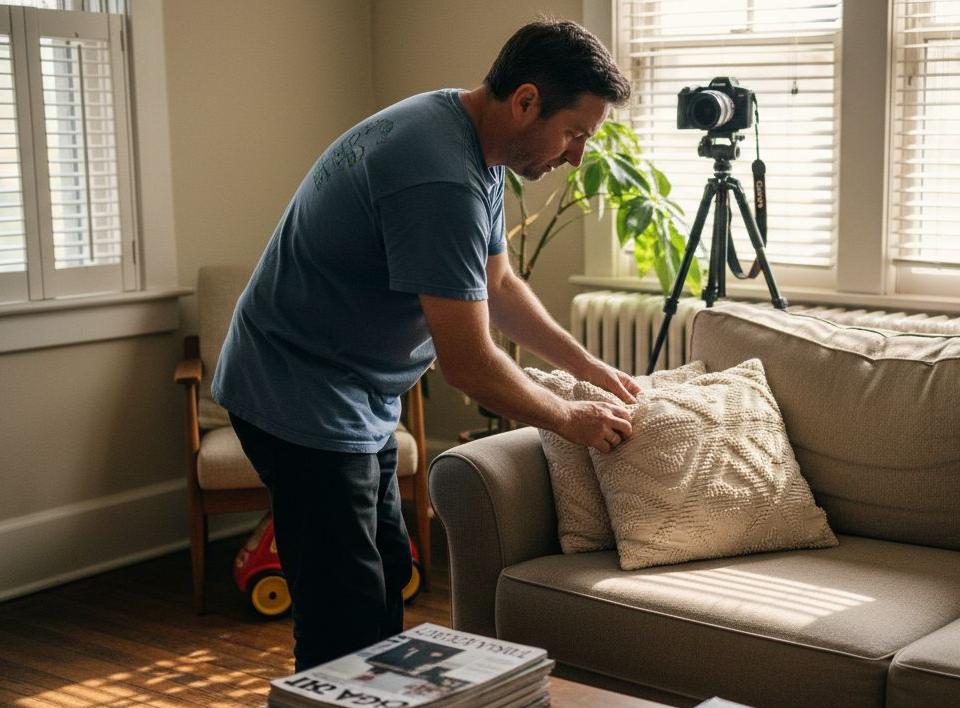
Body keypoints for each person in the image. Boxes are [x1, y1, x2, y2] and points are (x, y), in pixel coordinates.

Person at [212, 19, 640, 671]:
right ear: (526, 102)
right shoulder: (441, 178)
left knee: (384, 579)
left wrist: (586, 365)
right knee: (342, 616)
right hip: (296, 393)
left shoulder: (473, 139)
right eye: (575, 132)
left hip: (354, 393)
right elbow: (468, 365)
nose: (578, 154)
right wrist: (569, 420)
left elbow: (497, 284)